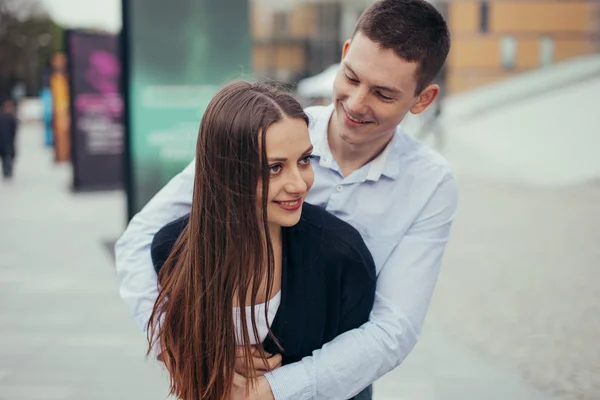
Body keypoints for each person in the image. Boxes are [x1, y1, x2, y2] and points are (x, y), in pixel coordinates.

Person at [115, 0, 458, 398]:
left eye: (383, 94)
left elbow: (393, 327)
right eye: (351, 77)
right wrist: (182, 348)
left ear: (422, 99)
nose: (356, 103)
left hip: (336, 389)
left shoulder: (430, 184)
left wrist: (273, 389)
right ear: (345, 54)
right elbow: (139, 238)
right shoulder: (275, 128)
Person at [148, 80, 376, 400]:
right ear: (225, 171)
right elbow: (178, 347)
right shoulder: (172, 249)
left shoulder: (341, 257)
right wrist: (209, 358)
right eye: (274, 168)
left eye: (304, 160)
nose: (299, 184)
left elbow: (354, 379)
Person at [0, 97, 18, 180]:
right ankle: (6, 172)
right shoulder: (6, 117)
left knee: (8, 157)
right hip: (3, 141)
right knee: (5, 157)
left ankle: (8, 171)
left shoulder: (11, 118)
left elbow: (14, 129)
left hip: (8, 141)